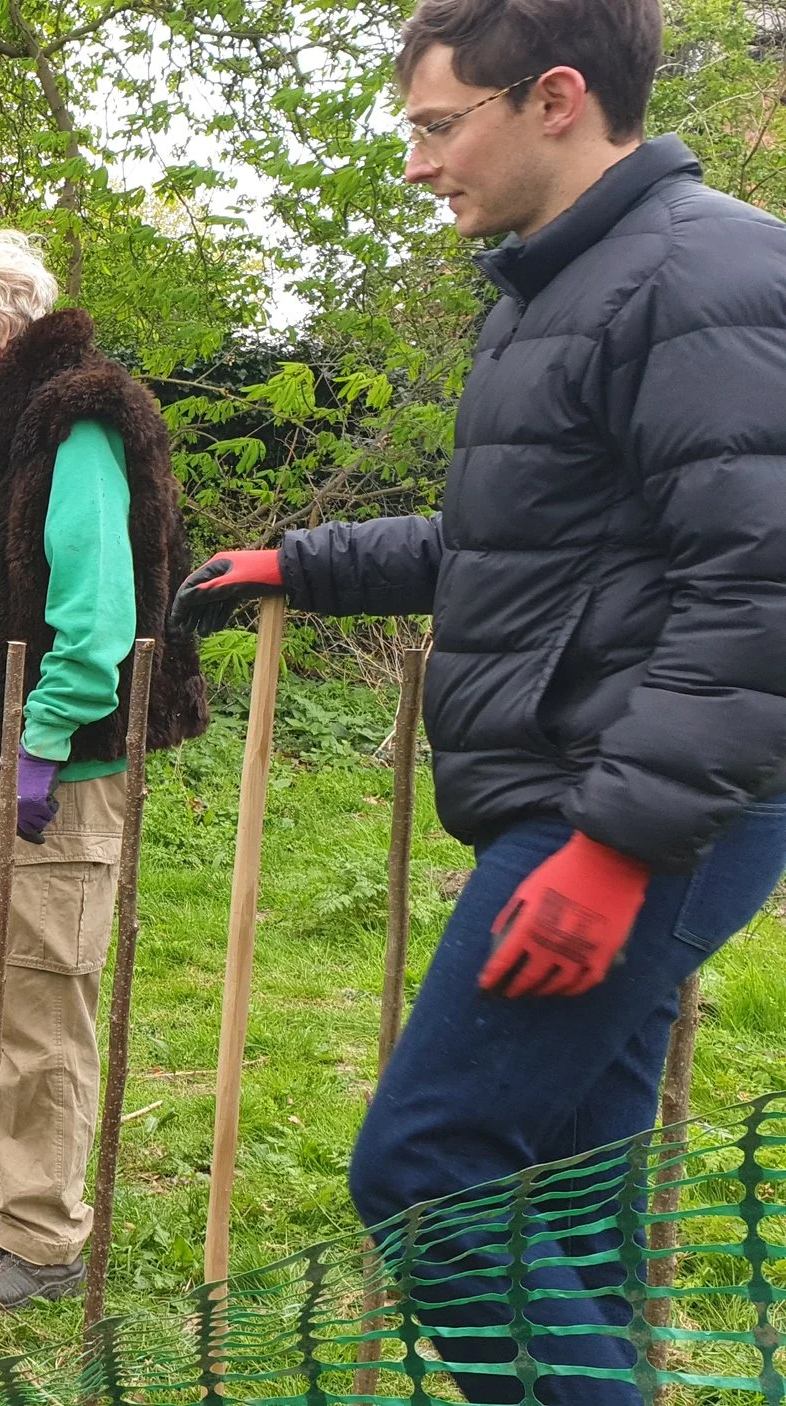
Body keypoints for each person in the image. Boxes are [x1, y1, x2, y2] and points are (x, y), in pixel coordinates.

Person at [173, 0, 786, 1395]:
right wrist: (304, 559)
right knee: (567, 1186)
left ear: (555, 97)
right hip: (613, 792)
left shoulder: (702, 275)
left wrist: (617, 843)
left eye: (438, 126)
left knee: (429, 1164)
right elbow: (515, 538)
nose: (416, 163)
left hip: (629, 803)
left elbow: (762, 587)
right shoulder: (568, 285)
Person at [0, 230, 210, 1307]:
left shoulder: (80, 427)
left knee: (40, 1001)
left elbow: (97, 615)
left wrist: (44, 740)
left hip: (54, 773)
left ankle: (41, 1238)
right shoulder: (18, 433)